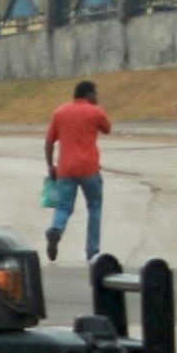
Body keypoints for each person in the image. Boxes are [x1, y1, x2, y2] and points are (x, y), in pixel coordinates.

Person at [43, 78, 113, 262]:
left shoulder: (60, 112)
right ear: (88, 94)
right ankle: (93, 251)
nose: (97, 96)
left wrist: (50, 166)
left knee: (64, 207)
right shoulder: (95, 112)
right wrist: (96, 109)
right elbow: (107, 128)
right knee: (95, 207)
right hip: (89, 169)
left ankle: (56, 230)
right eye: (95, 93)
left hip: (65, 170)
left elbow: (49, 141)